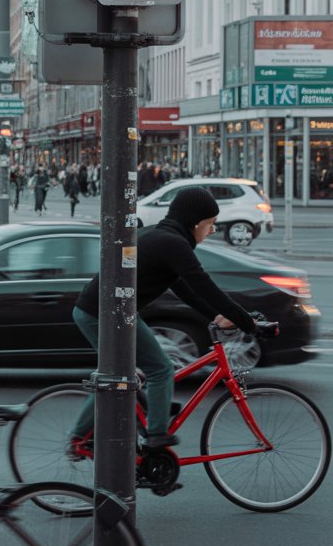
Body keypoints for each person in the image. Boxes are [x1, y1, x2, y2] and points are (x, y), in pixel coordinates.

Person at [69, 187, 259, 451]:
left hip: (109, 312)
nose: (213, 230)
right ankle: (155, 436)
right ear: (195, 222)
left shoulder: (163, 236)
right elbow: (205, 285)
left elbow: (186, 290)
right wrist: (247, 322)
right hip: (101, 315)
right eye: (210, 223)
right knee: (159, 369)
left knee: (122, 375)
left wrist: (216, 315)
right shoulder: (172, 243)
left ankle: (91, 433)